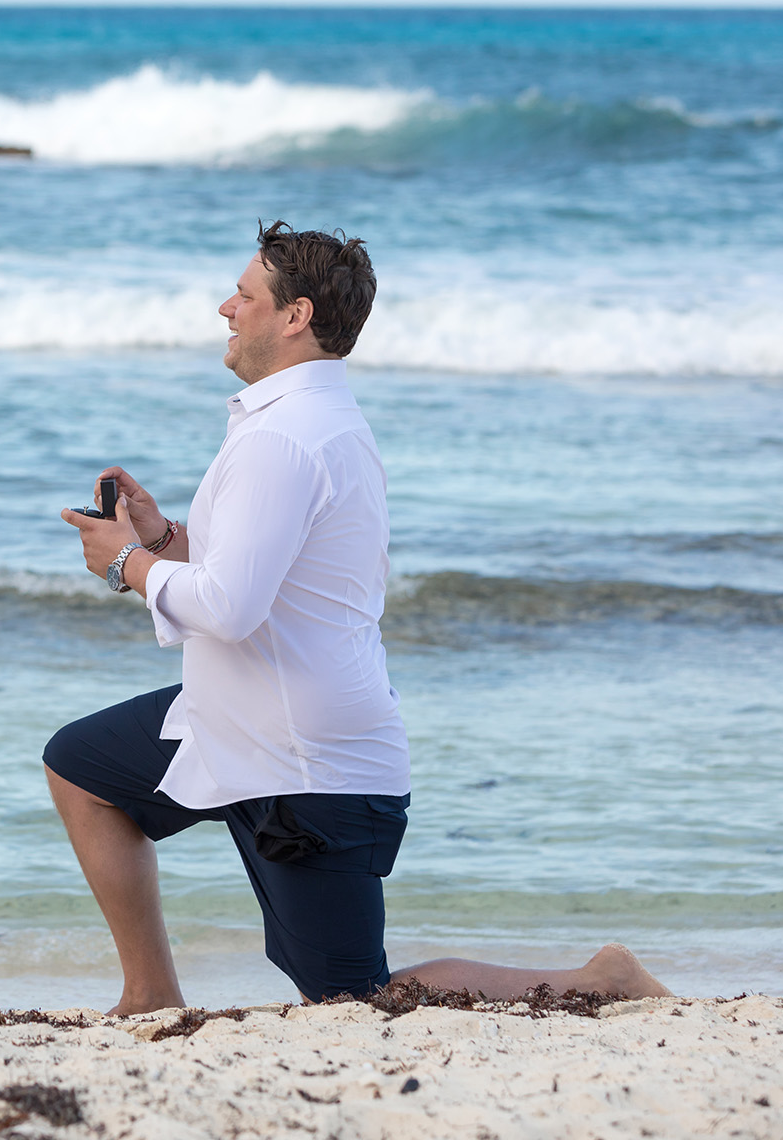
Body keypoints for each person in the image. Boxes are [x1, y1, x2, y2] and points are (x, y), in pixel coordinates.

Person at [51, 221, 670, 1013]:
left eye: (244, 295)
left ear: (295, 315)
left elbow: (231, 608)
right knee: (81, 764)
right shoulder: (307, 420)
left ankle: (598, 982)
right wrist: (164, 538)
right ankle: (149, 992)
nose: (224, 308)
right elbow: (254, 576)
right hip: (237, 717)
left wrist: (121, 564)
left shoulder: (285, 437)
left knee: (356, 999)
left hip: (308, 762)